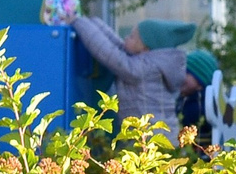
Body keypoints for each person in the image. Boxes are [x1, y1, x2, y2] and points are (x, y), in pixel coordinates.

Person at [73, 16, 204, 134]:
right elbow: (118, 46)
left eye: (132, 37)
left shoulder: (144, 69)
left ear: (145, 48)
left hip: (151, 138)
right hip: (157, 135)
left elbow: (109, 53)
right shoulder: (149, 63)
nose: (126, 38)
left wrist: (77, 21)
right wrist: (92, 21)